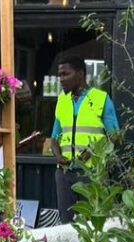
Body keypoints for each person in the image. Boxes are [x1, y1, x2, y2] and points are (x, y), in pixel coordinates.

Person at [50, 54, 118, 222]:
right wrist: (58, 156)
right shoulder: (62, 101)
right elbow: (54, 138)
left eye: (65, 74)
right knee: (66, 225)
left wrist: (93, 152)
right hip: (64, 174)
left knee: (95, 222)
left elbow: (115, 136)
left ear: (80, 74)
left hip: (92, 174)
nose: (61, 79)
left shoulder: (101, 99)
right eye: (59, 75)